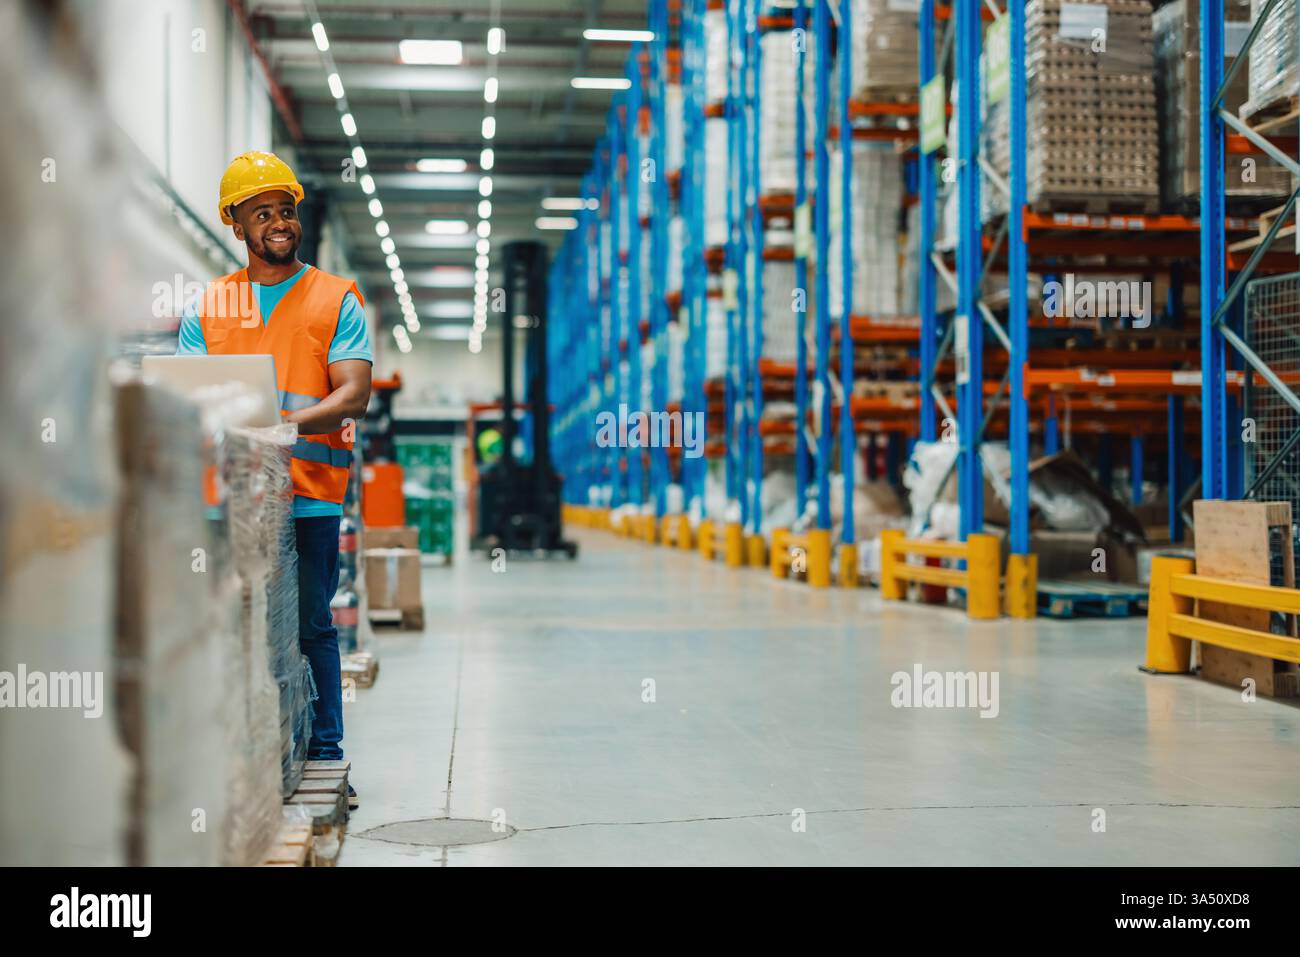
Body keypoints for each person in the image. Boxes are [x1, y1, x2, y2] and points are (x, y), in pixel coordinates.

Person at [177, 151, 371, 809]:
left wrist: (287, 424)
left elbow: (353, 394)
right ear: (236, 224)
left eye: (286, 210)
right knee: (241, 625)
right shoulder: (212, 305)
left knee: (311, 624)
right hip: (238, 498)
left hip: (311, 489)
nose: (279, 222)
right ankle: (254, 747)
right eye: (264, 213)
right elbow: (188, 395)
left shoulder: (334, 296)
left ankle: (322, 751)